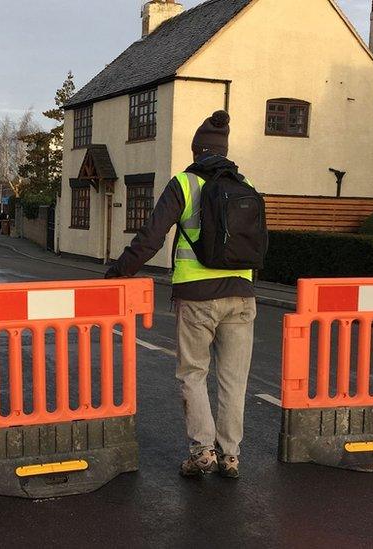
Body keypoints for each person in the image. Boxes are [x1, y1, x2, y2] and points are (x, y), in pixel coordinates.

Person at [106, 110, 257, 479]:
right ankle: (231, 455)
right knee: (234, 380)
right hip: (242, 295)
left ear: (198, 152)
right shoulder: (247, 184)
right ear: (223, 152)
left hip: (197, 297)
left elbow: (151, 238)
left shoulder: (185, 184)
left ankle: (202, 450)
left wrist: (117, 274)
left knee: (193, 372)